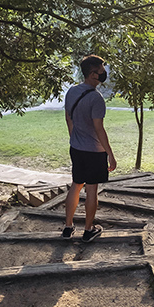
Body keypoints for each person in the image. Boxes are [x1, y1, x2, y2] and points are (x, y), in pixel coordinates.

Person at [62, 54, 117, 241]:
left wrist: (74, 137)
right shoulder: (96, 98)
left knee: (76, 185)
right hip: (94, 151)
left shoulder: (71, 92)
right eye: (101, 70)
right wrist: (110, 154)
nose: (104, 74)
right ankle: (88, 230)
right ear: (93, 74)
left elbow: (68, 118)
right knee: (91, 189)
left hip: (76, 148)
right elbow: (99, 129)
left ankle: (68, 227)